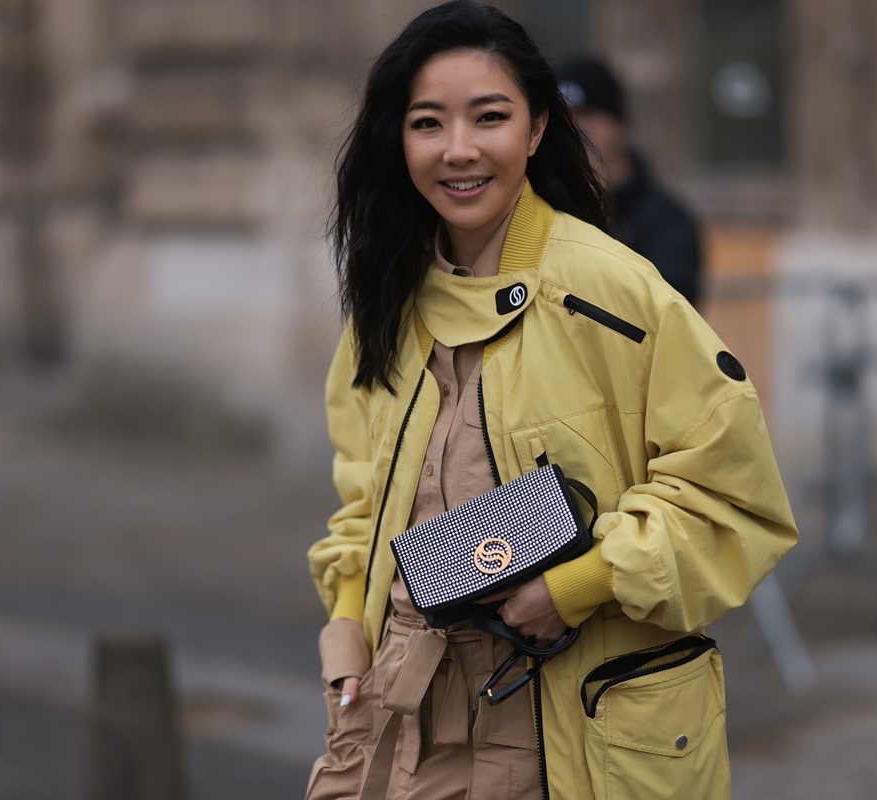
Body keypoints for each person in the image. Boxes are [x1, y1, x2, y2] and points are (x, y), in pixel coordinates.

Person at [306, 3, 797, 798]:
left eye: (489, 117)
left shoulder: (612, 289)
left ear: (536, 130)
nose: (458, 149)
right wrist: (342, 634)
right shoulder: (385, 305)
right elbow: (363, 508)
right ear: (398, 141)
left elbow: (736, 498)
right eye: (428, 123)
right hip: (410, 729)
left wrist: (576, 586)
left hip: (570, 730)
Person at [557, 54, 705, 305]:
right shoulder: (546, 204)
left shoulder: (666, 219)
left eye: (589, 115)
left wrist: (595, 210)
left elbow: (673, 300)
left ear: (619, 124)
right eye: (564, 119)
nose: (577, 130)